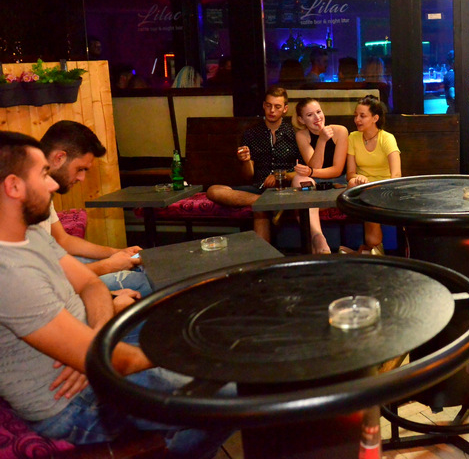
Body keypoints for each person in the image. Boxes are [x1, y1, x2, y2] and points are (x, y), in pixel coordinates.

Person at [0, 131, 231, 457]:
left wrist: (95, 338)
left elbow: (91, 284)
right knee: (230, 393)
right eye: (43, 175)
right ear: (13, 186)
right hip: (72, 403)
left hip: (94, 357)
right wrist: (188, 351)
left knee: (188, 321)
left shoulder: (30, 232)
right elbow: (114, 361)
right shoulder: (8, 273)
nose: (53, 185)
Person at [36, 121, 151, 296]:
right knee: (144, 283)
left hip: (51, 267)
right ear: (59, 158)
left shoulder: (43, 188)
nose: (82, 178)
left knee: (139, 267)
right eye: (80, 169)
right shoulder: (24, 199)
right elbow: (40, 279)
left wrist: (117, 253)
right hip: (44, 285)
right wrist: (107, 266)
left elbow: (63, 240)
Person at [207, 87, 300, 241]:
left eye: (277, 107)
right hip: (258, 187)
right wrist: (245, 161)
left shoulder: (294, 133)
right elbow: (248, 176)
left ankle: (265, 205)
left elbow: (306, 170)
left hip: (286, 188)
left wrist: (281, 175)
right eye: (268, 105)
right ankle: (269, 203)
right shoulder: (251, 133)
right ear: (263, 105)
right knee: (213, 191)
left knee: (259, 209)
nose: (272, 110)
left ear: (285, 109)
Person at [344, 96, 401, 255]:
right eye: (356, 115)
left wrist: (379, 188)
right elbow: (350, 174)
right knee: (354, 186)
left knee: (370, 197)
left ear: (375, 118)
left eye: (362, 116)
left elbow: (396, 174)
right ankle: (372, 250)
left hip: (384, 187)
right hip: (361, 186)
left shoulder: (387, 138)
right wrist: (358, 178)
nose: (357, 120)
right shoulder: (353, 137)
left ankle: (371, 248)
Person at [290, 99, 348, 254]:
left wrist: (310, 172)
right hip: (314, 188)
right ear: (301, 120)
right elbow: (315, 166)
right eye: (310, 115)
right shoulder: (302, 135)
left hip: (338, 186)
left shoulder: (340, 131)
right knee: (299, 180)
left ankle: (316, 242)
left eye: (318, 112)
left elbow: (337, 170)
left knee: (303, 199)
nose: (317, 118)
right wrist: (322, 140)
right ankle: (318, 237)